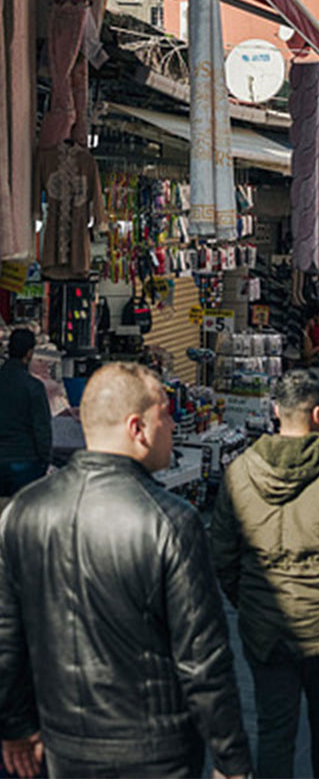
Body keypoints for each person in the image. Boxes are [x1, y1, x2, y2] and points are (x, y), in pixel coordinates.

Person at [0, 362, 251, 778]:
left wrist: (15, 725)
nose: (172, 425)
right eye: (165, 414)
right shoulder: (171, 521)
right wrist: (232, 759)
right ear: (138, 428)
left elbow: (7, 636)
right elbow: (203, 660)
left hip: (59, 742)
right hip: (154, 752)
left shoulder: (24, 510)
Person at [211, 369, 319, 778]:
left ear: (275, 411)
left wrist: (248, 599)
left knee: (274, 730)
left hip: (264, 624)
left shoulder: (239, 473)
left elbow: (223, 554)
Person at [0, 329, 51, 497]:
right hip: (25, 462)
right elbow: (42, 428)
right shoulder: (33, 387)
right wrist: (46, 460)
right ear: (29, 353)